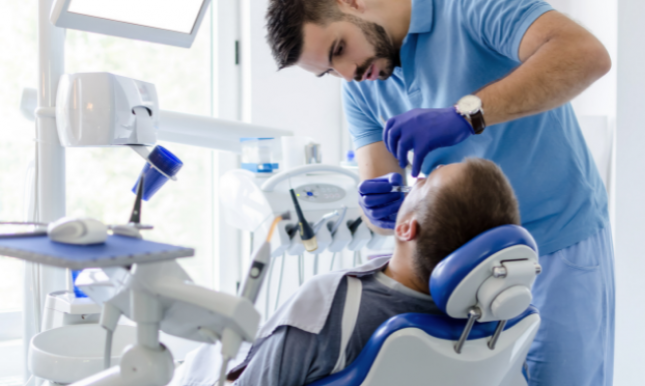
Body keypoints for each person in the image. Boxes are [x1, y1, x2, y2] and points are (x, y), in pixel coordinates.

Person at [264, 0, 615, 385]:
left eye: (340, 49)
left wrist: (468, 115)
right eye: (330, 71)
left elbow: (586, 56)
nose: (349, 73)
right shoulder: (361, 88)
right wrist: (379, 209)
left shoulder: (468, 7)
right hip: (456, 277)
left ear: (353, 3)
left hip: (556, 247)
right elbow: (381, 193)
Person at [172, 158, 520, 385]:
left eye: (426, 182)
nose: (421, 175)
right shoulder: (493, 321)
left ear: (405, 229)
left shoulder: (330, 303)